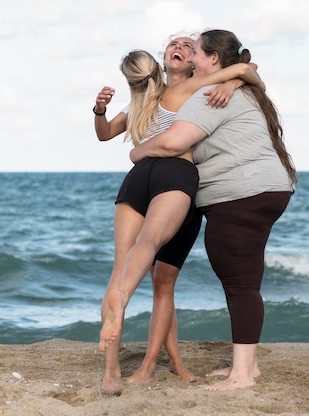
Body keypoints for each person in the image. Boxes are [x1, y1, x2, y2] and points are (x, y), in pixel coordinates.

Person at [130, 29, 298, 392]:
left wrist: (137, 152)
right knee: (245, 281)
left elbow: (175, 141)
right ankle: (247, 366)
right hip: (266, 188)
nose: (190, 59)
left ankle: (241, 375)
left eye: (197, 54)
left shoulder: (209, 94)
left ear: (213, 60)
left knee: (241, 285)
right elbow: (250, 71)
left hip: (241, 193)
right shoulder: (239, 88)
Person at [97, 44, 265, 395]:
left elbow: (103, 133)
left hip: (138, 177)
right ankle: (125, 298)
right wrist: (234, 79)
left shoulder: (143, 98)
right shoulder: (186, 90)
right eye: (174, 44)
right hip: (175, 176)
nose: (180, 47)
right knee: (153, 251)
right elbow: (249, 69)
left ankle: (112, 373)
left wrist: (99, 109)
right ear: (163, 63)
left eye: (188, 46)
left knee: (121, 270)